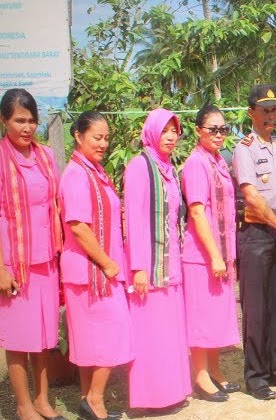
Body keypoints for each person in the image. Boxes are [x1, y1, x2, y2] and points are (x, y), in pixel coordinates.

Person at [59, 111, 133, 420]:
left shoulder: (95, 171)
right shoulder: (77, 175)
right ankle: (95, 400)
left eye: (106, 138)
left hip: (98, 271)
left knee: (93, 340)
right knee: (115, 332)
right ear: (78, 136)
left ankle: (88, 399)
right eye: (96, 137)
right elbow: (78, 226)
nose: (103, 143)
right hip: (92, 271)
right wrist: (108, 264)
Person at [233, 84, 276, 400]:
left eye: (274, 110)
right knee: (257, 309)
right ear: (251, 113)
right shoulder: (245, 149)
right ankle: (256, 377)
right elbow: (251, 196)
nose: (271, 116)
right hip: (257, 235)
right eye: (265, 111)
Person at [0, 89, 65, 420]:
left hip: (46, 261)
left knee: (43, 335)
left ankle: (42, 400)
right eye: (19, 120)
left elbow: (55, 203)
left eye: (31, 121)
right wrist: (1, 268)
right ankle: (24, 406)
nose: (27, 128)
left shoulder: (45, 156)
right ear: (4, 121)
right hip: (15, 263)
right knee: (18, 338)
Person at [123, 108, 191, 414]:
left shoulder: (169, 168)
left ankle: (173, 391)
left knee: (169, 332)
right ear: (152, 132)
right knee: (151, 334)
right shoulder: (140, 166)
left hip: (170, 263)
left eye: (175, 131)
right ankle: (152, 398)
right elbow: (134, 219)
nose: (171, 137)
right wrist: (138, 268)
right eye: (165, 130)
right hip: (149, 268)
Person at [182, 105, 241, 401]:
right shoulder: (196, 164)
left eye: (223, 130)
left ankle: (215, 370)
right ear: (198, 131)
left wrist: (227, 255)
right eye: (212, 129)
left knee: (216, 317)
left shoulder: (218, 161)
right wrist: (215, 255)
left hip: (222, 253)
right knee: (201, 319)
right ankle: (201, 375)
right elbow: (196, 211)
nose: (219, 135)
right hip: (201, 256)